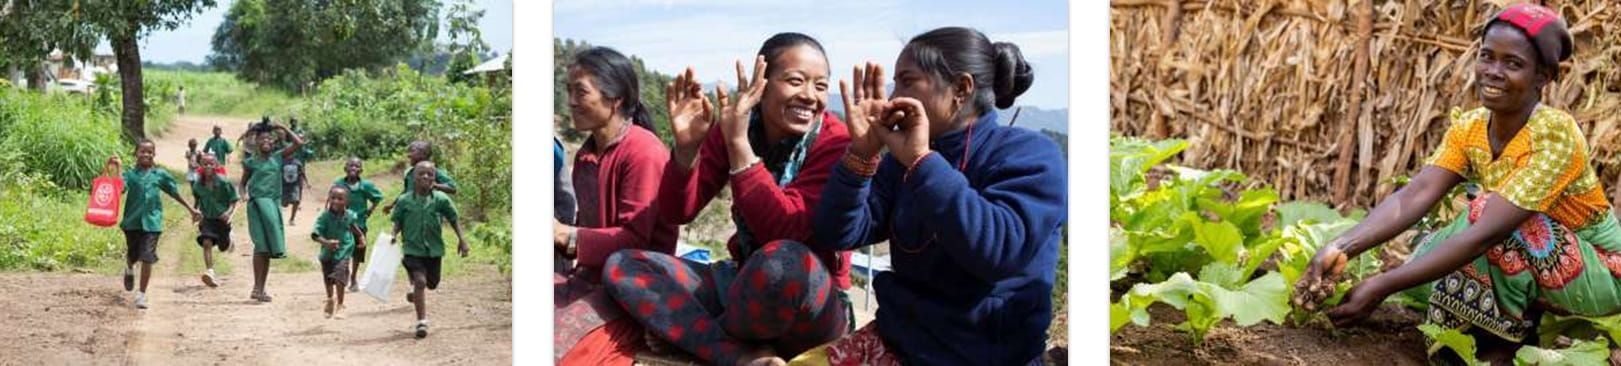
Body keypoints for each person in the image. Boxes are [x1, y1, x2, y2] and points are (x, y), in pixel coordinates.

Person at [1292, 4, 1618, 364]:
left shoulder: (1555, 135)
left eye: (1512, 64)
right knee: (1432, 254)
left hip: (1601, 272)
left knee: (1488, 223)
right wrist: (1342, 245)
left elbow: (1486, 234)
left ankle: (1496, 351)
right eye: (1486, 57)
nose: (1493, 72)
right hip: (1532, 255)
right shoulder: (1472, 127)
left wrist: (1383, 285)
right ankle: (1486, 332)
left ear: (1542, 77)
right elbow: (1417, 193)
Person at [802, 27, 1062, 365]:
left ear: (961, 88)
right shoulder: (903, 158)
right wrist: (861, 155)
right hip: (899, 343)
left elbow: (998, 251)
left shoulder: (1030, 155)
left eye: (908, 82)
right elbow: (837, 232)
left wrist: (922, 162)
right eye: (896, 83)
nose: (894, 96)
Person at [599, 33, 855, 366]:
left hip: (810, 303)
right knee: (625, 266)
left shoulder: (835, 142)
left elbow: (786, 230)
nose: (810, 96)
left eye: (821, 86)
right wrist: (687, 152)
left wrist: (739, 146)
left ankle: (699, 336)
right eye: (796, 81)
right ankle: (740, 356)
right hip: (744, 283)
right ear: (761, 84)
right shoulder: (736, 126)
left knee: (785, 261)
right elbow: (679, 211)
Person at [552, 46, 678, 277]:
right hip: (597, 278)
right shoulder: (585, 156)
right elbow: (588, 226)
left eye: (581, 92)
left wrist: (563, 235)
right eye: (568, 91)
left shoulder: (644, 152)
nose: (571, 102)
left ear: (615, 99)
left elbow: (634, 242)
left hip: (641, 283)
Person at [109, 140, 203, 309]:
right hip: (132, 222)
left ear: (154, 154)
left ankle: (142, 295)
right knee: (133, 254)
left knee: (147, 257)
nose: (146, 154)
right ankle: (129, 267)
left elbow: (174, 192)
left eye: (150, 152)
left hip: (152, 223)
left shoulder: (160, 174)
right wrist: (118, 168)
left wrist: (191, 210)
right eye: (142, 151)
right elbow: (120, 189)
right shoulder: (130, 175)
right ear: (135, 153)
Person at [390, 161, 470, 339]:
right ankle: (421, 321)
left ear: (434, 178)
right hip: (412, 249)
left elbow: (453, 218)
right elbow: (397, 221)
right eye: (421, 174)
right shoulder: (404, 201)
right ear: (413, 178)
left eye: (430, 174)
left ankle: (416, 288)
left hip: (434, 250)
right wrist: (393, 235)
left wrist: (462, 240)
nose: (425, 177)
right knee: (420, 281)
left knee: (431, 283)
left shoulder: (441, 199)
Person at [239, 120, 304, 303]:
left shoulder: (278, 157)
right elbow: (243, 184)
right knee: (260, 245)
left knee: (267, 248)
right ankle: (256, 287)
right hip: (257, 207)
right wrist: (243, 195)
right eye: (262, 139)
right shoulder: (250, 162)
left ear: (274, 142)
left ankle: (260, 289)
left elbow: (298, 143)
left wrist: (282, 127)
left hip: (273, 207)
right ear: (256, 142)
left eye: (269, 139)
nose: (266, 141)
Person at [312, 186, 365, 319]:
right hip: (327, 253)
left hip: (344, 250)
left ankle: (341, 305)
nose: (336, 201)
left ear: (346, 202)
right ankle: (330, 299)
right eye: (333, 198)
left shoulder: (349, 215)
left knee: (340, 275)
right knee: (328, 278)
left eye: (340, 199)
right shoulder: (324, 217)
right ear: (329, 199)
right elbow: (315, 235)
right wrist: (326, 243)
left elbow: (353, 227)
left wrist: (361, 237)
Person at [334, 157, 384, 292]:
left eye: (357, 166)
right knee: (342, 251)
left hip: (359, 224)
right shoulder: (338, 184)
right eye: (350, 165)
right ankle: (344, 273)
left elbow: (377, 197)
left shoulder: (366, 186)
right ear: (345, 168)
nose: (353, 168)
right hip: (341, 224)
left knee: (357, 252)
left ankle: (354, 277)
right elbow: (331, 200)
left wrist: (370, 210)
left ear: (361, 170)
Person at [191, 154, 238, 288]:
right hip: (207, 219)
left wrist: (228, 213)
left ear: (217, 165)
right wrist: (195, 214)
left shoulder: (224, 183)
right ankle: (210, 272)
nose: (208, 166)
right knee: (207, 242)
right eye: (205, 164)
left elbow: (234, 200)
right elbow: (197, 201)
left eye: (211, 163)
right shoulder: (197, 185)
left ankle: (229, 237)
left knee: (223, 247)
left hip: (221, 220)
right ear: (200, 166)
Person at [383, 140, 458, 214]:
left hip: (429, 214)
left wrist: (435, 185)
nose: (409, 155)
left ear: (423, 154)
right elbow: (406, 191)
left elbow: (452, 188)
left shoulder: (433, 172)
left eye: (412, 151)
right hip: (410, 213)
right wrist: (392, 205)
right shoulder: (410, 173)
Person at [282, 118, 313, 226]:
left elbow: (307, 152)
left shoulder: (300, 133)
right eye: (292, 121)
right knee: (284, 203)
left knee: (297, 195)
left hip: (297, 169)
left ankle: (293, 214)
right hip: (285, 173)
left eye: (295, 121)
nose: (294, 123)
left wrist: (306, 182)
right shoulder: (288, 136)